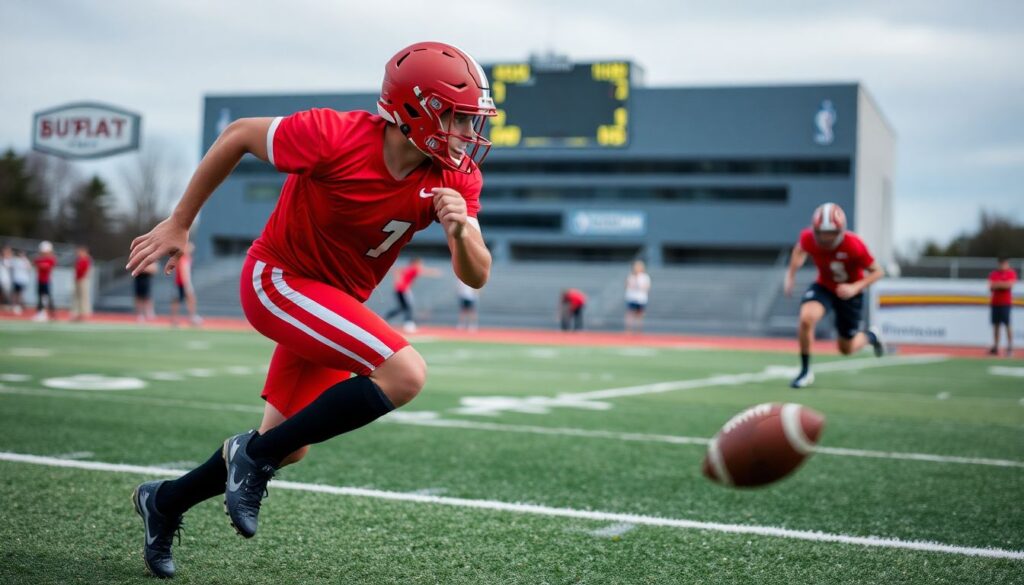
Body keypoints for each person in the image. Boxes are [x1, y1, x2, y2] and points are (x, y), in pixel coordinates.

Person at [125, 41, 495, 579]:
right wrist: (180, 222)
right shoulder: (335, 134)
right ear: (417, 110)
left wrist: (460, 231)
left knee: (289, 444)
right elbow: (237, 136)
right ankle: (249, 458)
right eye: (458, 117)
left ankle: (164, 502)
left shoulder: (455, 176)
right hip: (278, 278)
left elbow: (476, 275)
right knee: (405, 372)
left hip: (333, 302)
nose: (468, 132)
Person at [783, 202, 885, 388]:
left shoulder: (854, 245)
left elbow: (878, 272)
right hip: (825, 286)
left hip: (850, 294)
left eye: (830, 232)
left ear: (841, 230)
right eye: (821, 232)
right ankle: (805, 371)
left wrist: (855, 287)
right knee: (806, 318)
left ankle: (871, 336)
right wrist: (790, 275)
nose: (826, 237)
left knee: (845, 349)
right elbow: (799, 250)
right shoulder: (808, 238)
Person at [383, 257, 440, 333]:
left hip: (399, 289)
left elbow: (397, 270)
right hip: (403, 290)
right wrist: (434, 272)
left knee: (402, 307)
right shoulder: (414, 268)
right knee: (408, 307)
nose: (421, 265)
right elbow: (424, 271)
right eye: (420, 263)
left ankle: (385, 318)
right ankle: (408, 325)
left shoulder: (408, 268)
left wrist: (397, 280)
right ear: (415, 263)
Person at [988, 257, 1017, 357]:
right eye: (1000, 263)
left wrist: (999, 284)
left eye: (1004, 263)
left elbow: (1009, 285)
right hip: (995, 303)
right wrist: (1002, 284)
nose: (1002, 265)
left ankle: (1010, 347)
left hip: (1005, 303)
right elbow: (991, 286)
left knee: (1007, 325)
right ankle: (996, 347)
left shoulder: (1011, 273)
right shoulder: (994, 273)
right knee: (996, 326)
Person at [169, 243, 202, 327]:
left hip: (183, 282)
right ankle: (179, 318)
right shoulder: (183, 258)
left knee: (188, 299)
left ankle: (190, 317)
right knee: (181, 300)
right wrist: (187, 285)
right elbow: (183, 272)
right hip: (181, 283)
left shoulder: (187, 258)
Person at [624, 260, 651, 334]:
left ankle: (639, 330)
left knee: (639, 315)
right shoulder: (631, 276)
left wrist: (639, 286)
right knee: (630, 314)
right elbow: (626, 286)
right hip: (631, 297)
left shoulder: (645, 277)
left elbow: (647, 287)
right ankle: (628, 330)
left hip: (640, 298)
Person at [32, 241, 57, 322]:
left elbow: (47, 266)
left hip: (46, 281)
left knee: (48, 297)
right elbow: (35, 263)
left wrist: (41, 265)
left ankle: (52, 314)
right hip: (39, 280)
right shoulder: (39, 259)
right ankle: (40, 313)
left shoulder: (51, 259)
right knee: (40, 297)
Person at [70, 245, 92, 322]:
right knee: (76, 297)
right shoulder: (78, 260)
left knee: (83, 297)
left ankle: (83, 314)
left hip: (83, 280)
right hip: (77, 279)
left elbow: (87, 270)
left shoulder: (86, 259)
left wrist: (84, 277)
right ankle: (76, 313)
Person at [10, 248, 31, 315]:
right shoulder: (15, 260)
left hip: (23, 280)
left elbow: (29, 268)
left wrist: (24, 259)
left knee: (20, 294)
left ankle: (21, 306)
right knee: (15, 294)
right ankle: (15, 306)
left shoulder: (26, 261)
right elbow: (9, 265)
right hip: (17, 279)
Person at [0, 244, 12, 312]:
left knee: (7, 293)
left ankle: (8, 305)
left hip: (5, 279)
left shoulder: (8, 260)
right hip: (2, 278)